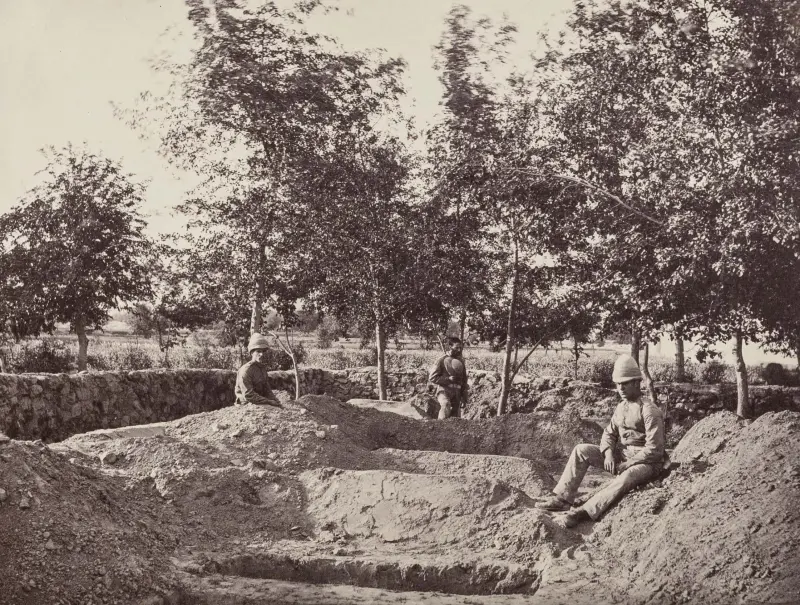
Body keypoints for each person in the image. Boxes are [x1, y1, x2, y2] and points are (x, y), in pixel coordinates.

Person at [536, 354, 666, 528]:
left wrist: (629, 464)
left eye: (625, 383)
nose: (621, 388)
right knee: (581, 450)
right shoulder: (621, 407)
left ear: (636, 383)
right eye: (618, 384)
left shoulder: (649, 410)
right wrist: (608, 454)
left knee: (629, 475)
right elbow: (608, 434)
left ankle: (583, 512)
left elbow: (655, 449)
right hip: (626, 455)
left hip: (648, 463)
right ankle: (562, 498)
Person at [234, 333, 282, 407]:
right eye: (258, 351)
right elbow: (248, 395)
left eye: (263, 351)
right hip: (245, 404)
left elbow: (267, 389)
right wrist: (269, 402)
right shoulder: (246, 370)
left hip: (260, 402)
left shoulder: (262, 368)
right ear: (252, 352)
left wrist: (275, 400)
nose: (261, 354)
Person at [428, 336, 468, 419]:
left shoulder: (461, 362)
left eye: (460, 348)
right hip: (444, 391)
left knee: (455, 418)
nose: (459, 350)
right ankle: (440, 427)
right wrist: (447, 379)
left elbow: (464, 380)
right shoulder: (441, 360)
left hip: (457, 393)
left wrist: (464, 397)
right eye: (456, 347)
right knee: (446, 405)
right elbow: (432, 377)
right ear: (450, 347)